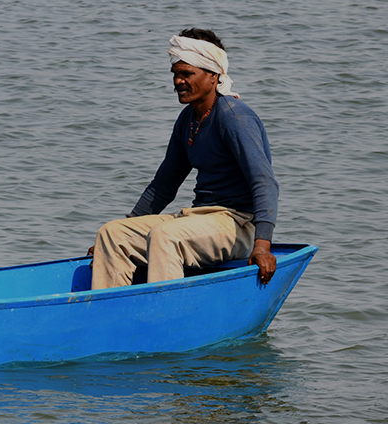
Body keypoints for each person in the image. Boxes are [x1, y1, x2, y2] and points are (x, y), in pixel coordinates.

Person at [88, 28, 279, 289]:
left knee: (165, 235)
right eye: (176, 74)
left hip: (238, 224)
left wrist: (263, 244)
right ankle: (111, 320)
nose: (178, 81)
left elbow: (264, 181)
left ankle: (165, 318)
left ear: (213, 76)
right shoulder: (188, 120)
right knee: (111, 233)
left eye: (187, 74)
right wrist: (115, 241)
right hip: (198, 218)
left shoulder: (234, 118)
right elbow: (164, 184)